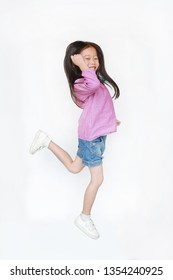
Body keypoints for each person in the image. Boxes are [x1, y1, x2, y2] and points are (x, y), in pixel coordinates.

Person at [29, 41, 120, 240]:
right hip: (92, 139)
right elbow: (93, 86)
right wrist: (83, 67)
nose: (93, 62)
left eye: (95, 58)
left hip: (94, 134)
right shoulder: (82, 83)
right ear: (76, 63)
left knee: (74, 167)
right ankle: (84, 217)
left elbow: (99, 103)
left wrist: (110, 120)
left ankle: (45, 141)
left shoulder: (95, 79)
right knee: (98, 179)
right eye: (86, 59)